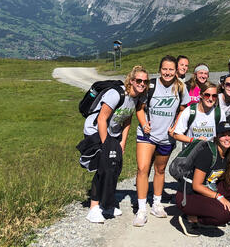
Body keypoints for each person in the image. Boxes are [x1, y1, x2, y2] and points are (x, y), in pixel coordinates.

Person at [78, 66, 149, 223]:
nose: (142, 84)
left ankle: (107, 204)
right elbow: (102, 119)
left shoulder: (136, 98)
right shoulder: (116, 94)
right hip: (96, 130)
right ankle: (94, 208)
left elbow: (128, 119)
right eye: (139, 80)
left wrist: (122, 142)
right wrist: (105, 145)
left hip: (114, 134)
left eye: (145, 81)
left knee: (114, 168)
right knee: (102, 168)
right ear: (131, 81)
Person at [134, 56, 191, 227]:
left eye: (171, 69)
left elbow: (183, 108)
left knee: (160, 170)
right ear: (160, 70)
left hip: (167, 137)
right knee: (143, 169)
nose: (167, 72)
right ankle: (141, 209)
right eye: (164, 69)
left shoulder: (181, 87)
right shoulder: (150, 85)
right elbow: (139, 108)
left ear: (176, 71)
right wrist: (144, 124)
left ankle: (157, 204)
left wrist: (176, 125)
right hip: (147, 135)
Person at [176, 122, 230, 236]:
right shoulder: (207, 153)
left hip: (205, 188)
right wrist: (219, 197)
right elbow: (196, 185)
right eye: (223, 134)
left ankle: (208, 211)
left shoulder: (227, 152)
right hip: (188, 195)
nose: (227, 138)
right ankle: (190, 218)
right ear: (217, 137)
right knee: (224, 215)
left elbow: (229, 175)